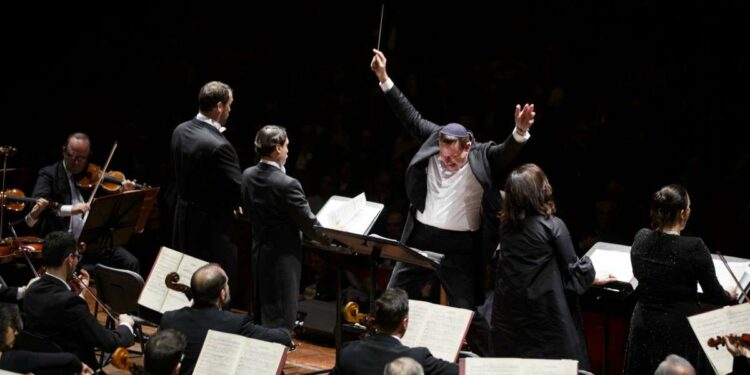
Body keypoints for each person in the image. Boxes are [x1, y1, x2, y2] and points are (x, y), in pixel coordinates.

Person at [370, 49, 535, 355]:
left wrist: (520, 131)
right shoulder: (435, 140)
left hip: (459, 247)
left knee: (465, 312)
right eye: (441, 155)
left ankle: (490, 362)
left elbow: (506, 152)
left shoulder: (481, 155)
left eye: (452, 156)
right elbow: (409, 114)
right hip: (419, 238)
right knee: (393, 297)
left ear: (467, 146)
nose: (445, 161)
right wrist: (383, 78)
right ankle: (380, 350)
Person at [490, 163, 614, 369]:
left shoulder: (505, 227)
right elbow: (573, 271)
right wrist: (592, 275)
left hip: (511, 315)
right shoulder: (553, 226)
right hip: (544, 317)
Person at [624, 184, 735, 375]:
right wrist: (729, 294)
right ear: (683, 213)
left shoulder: (641, 238)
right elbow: (715, 295)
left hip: (643, 324)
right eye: (689, 208)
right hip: (679, 329)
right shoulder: (694, 247)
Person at [241, 125, 330, 329]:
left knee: (261, 315)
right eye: (287, 146)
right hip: (283, 260)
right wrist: (334, 239)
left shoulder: (247, 175)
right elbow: (309, 224)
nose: (289, 150)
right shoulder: (288, 184)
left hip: (258, 255)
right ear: (278, 149)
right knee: (281, 318)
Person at [25, 132, 141, 272]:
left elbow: (110, 208)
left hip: (90, 243)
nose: (76, 161)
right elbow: (39, 204)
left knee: (131, 263)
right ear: (63, 151)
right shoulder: (49, 174)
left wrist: (123, 193)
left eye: (81, 158)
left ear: (88, 156)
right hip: (64, 247)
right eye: (71, 155)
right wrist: (71, 209)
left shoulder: (94, 177)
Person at [22, 230, 135, 369]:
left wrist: (79, 293)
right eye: (77, 256)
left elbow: (63, 322)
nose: (77, 261)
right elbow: (110, 342)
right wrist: (126, 325)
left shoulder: (32, 289)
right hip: (74, 369)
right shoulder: (70, 303)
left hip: (42, 367)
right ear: (69, 259)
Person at [171, 81, 242, 292]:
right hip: (210, 228)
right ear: (219, 106)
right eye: (229, 104)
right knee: (214, 286)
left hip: (182, 218)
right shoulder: (220, 145)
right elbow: (238, 188)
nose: (230, 109)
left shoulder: (180, 130)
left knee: (184, 282)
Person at [159, 263, 292, 374]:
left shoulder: (169, 318)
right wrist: (286, 332)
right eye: (227, 284)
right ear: (222, 294)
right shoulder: (234, 323)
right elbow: (282, 338)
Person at [333, 288, 457, 375]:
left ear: (376, 320)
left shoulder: (348, 352)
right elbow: (460, 371)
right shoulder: (417, 357)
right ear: (404, 323)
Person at [0, 304, 94, 374]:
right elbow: (69, 359)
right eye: (11, 326)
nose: (15, 332)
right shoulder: (9, 360)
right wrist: (80, 367)